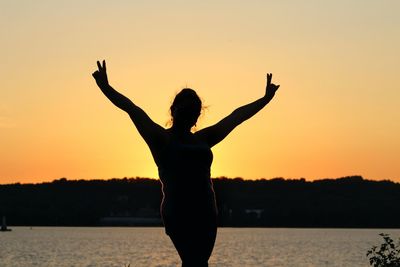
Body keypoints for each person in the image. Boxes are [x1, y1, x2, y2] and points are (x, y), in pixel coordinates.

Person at [92, 60, 280, 266]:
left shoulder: (203, 139)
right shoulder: (161, 139)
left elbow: (236, 117)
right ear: (173, 110)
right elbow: (132, 109)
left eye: (195, 111)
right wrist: (106, 88)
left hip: (206, 211)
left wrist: (265, 99)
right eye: (187, 109)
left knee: (199, 263)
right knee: (193, 260)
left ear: (198, 115)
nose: (191, 114)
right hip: (178, 211)